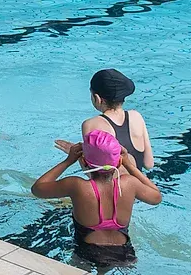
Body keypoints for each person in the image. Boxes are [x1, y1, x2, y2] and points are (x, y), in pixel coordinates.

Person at [32, 131, 162, 269]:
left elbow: (37, 189)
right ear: (119, 162)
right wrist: (129, 165)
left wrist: (68, 161)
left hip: (87, 250)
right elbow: (156, 197)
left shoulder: (77, 186)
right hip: (124, 252)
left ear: (83, 161)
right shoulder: (130, 183)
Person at [57, 69, 154, 170]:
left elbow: (93, 173)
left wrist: (76, 156)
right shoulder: (136, 116)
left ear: (97, 98)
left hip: (116, 186)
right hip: (140, 184)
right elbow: (149, 164)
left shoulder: (91, 124)